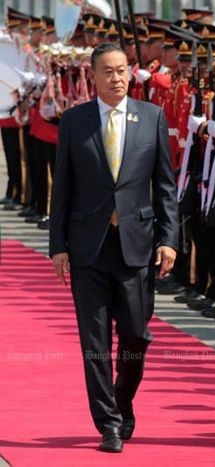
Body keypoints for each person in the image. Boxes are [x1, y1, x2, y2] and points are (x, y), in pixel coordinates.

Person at [49, 42, 178, 453]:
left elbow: (165, 187)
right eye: (108, 71)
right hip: (88, 247)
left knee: (137, 335)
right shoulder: (75, 121)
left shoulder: (151, 117)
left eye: (122, 70)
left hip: (136, 246)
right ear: (94, 75)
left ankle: (122, 401)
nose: (117, 77)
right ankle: (107, 422)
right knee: (96, 341)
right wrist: (58, 246)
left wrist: (169, 239)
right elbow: (62, 188)